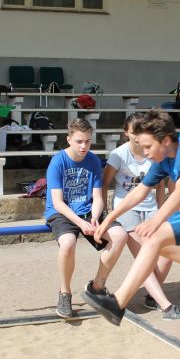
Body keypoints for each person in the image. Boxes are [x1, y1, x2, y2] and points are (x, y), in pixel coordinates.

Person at [84, 110, 180, 325]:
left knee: (153, 237)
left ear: (165, 140)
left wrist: (155, 221)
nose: (145, 152)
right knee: (155, 242)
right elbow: (140, 191)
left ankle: (117, 303)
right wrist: (109, 219)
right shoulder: (162, 155)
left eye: (148, 146)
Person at [103, 114, 180, 320]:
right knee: (143, 257)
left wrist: (162, 211)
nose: (137, 137)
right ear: (126, 133)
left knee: (167, 252)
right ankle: (166, 306)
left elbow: (160, 185)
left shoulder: (153, 152)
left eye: (140, 132)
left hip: (150, 207)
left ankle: (150, 296)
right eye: (133, 132)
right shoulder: (119, 154)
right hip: (127, 209)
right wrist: (106, 214)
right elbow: (105, 183)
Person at [44, 118, 128, 318]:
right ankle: (65, 293)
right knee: (68, 243)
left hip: (88, 211)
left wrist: (95, 217)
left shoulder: (93, 160)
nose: (84, 146)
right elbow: (58, 203)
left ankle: (97, 286)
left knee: (120, 236)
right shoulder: (58, 161)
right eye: (79, 141)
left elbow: (97, 197)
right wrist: (81, 223)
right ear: (69, 140)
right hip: (63, 212)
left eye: (88, 141)